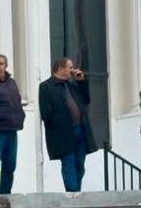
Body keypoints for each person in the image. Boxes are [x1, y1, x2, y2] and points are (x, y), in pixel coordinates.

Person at [39, 57, 97, 192]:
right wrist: (58, 123)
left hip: (80, 130)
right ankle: (72, 194)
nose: (73, 70)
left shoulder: (72, 85)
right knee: (68, 164)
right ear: (60, 69)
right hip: (63, 133)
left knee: (79, 165)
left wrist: (81, 82)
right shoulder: (46, 86)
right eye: (70, 67)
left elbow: (86, 100)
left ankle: (77, 191)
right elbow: (46, 112)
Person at [0, 54, 24, 195]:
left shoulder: (11, 82)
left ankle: (6, 195)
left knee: (10, 165)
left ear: (6, 66)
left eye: (0, 64)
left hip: (12, 131)